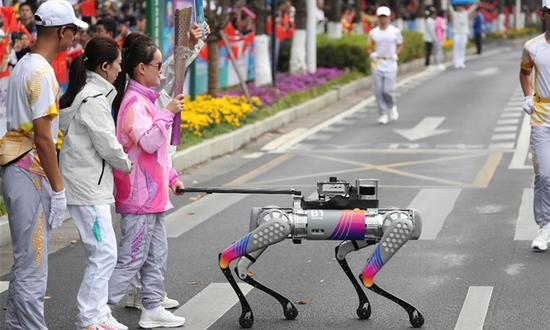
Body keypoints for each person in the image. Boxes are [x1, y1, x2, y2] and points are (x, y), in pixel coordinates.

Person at [1, 0, 87, 328]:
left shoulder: (25, 63)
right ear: (61, 31)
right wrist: (59, 188)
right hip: (30, 173)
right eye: (73, 31)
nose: (75, 37)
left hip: (17, 169)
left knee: (27, 262)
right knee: (33, 265)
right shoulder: (41, 72)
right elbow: (43, 137)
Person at [107, 35, 187, 329]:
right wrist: (169, 113)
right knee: (132, 257)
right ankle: (98, 311)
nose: (161, 71)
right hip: (138, 199)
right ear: (141, 68)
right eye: (157, 66)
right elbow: (152, 143)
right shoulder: (134, 104)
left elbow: (157, 156)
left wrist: (173, 178)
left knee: (156, 255)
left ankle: (152, 307)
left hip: (151, 198)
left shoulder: (145, 100)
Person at [58, 37, 132, 330]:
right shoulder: (92, 99)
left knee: (101, 253)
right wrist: (126, 164)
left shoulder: (91, 94)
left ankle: (98, 314)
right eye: (116, 65)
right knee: (104, 253)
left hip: (91, 186)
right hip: (88, 189)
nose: (119, 70)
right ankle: (90, 318)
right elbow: (107, 143)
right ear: (104, 67)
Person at [520, 0, 550, 252]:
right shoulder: (532, 46)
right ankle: (545, 226)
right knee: (543, 174)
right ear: (544, 14)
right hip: (542, 114)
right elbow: (524, 71)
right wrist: (528, 96)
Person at [367, 6, 403, 125]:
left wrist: (395, 54)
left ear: (389, 17)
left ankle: (392, 106)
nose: (383, 19)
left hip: (390, 63)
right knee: (378, 91)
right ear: (378, 18)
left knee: (387, 90)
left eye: (385, 16)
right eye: (381, 17)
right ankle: (383, 113)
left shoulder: (394, 31)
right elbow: (369, 46)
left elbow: (400, 44)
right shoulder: (373, 33)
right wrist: (371, 53)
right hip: (377, 63)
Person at [448, 0, 477, 68]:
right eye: (458, 7)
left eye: (461, 7)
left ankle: (461, 61)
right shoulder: (455, 14)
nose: (459, 8)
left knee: (462, 47)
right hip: (456, 33)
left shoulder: (465, 13)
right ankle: (456, 62)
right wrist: (449, 4)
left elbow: (471, 9)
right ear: (456, 8)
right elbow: (450, 10)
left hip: (464, 33)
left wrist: (475, 4)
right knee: (456, 47)